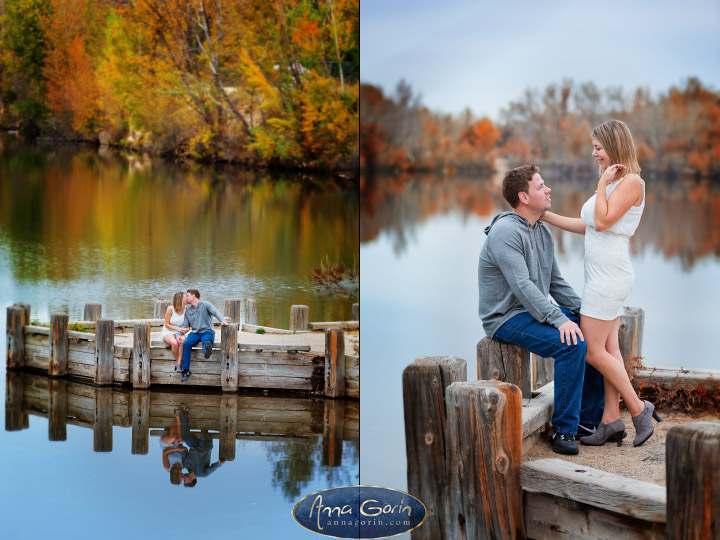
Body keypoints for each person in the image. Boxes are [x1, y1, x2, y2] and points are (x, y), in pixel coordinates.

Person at [541, 119, 661, 447]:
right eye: (593, 148)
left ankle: (638, 410)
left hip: (609, 279)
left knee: (592, 352)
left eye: (598, 147)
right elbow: (588, 225)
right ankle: (611, 420)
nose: (594, 153)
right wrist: (546, 217)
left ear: (614, 146)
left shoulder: (631, 182)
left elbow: (604, 222)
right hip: (600, 276)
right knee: (609, 350)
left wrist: (602, 184)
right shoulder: (612, 183)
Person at [478, 163, 605, 455]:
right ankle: (564, 430)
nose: (548, 189)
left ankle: (588, 421)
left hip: (531, 311)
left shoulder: (542, 232)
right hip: (505, 316)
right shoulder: (505, 233)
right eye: (540, 186)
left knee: (591, 330)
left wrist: (587, 313)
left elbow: (556, 283)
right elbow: (523, 286)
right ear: (524, 197)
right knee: (571, 344)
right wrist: (560, 320)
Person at [179, 289, 229, 382]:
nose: (186, 297)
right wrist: (179, 335)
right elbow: (184, 327)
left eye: (188, 295)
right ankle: (185, 371)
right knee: (186, 343)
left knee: (206, 339)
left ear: (193, 296)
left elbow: (215, 312)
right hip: (195, 332)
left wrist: (223, 320)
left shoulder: (206, 304)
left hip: (207, 330)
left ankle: (207, 352)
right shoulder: (188, 312)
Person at [161, 291, 189, 372]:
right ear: (179, 299)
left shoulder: (186, 309)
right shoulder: (170, 309)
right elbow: (166, 324)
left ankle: (179, 364)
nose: (186, 298)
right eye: (184, 297)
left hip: (180, 332)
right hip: (168, 330)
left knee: (182, 341)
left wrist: (186, 329)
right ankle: (180, 364)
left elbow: (187, 325)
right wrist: (178, 329)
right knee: (174, 343)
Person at [160, 412, 188, 485]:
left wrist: (177, 449)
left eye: (181, 479)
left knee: (173, 437)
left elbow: (164, 452)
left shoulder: (168, 467)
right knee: (178, 438)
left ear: (175, 477)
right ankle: (178, 416)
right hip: (176, 445)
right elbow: (185, 451)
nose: (182, 478)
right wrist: (183, 448)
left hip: (166, 445)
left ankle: (178, 416)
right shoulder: (182, 467)